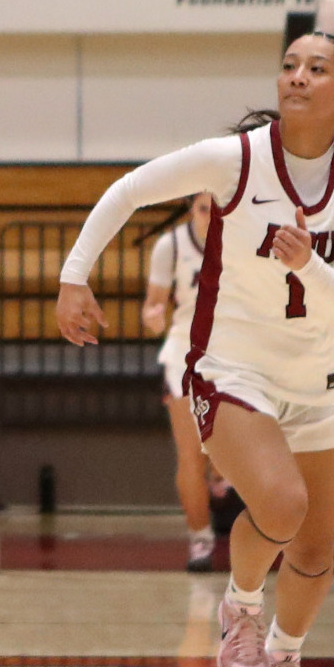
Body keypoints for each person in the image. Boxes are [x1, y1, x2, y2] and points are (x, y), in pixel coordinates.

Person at [57, 31, 334, 667]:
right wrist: (73, 276)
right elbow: (128, 190)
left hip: (318, 383)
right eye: (289, 65)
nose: (296, 76)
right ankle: (240, 605)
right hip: (231, 369)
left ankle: (287, 660)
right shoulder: (233, 160)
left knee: (314, 548)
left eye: (315, 68)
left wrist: (307, 264)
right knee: (281, 501)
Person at [142, 193, 220, 571]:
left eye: (220, 209)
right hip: (184, 351)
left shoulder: (248, 241)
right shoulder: (169, 246)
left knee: (228, 448)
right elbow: (152, 305)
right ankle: (200, 539)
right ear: (192, 208)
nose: (212, 217)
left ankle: (222, 468)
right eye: (205, 209)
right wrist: (153, 317)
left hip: (236, 351)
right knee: (190, 455)